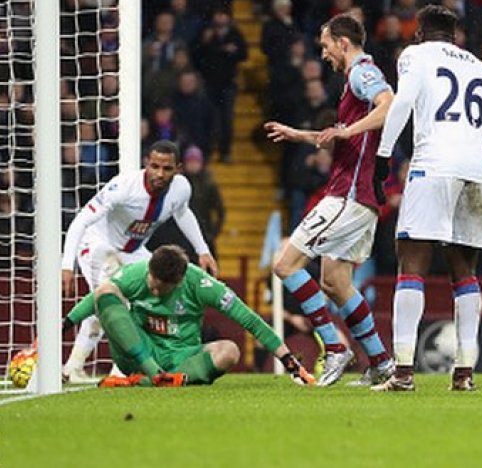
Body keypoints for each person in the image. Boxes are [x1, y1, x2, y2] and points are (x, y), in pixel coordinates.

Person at [368, 5, 482, 391]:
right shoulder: (481, 68)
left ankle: (403, 373)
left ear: (420, 33)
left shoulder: (415, 56)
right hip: (474, 173)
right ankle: (465, 374)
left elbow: (402, 103)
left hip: (432, 167)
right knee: (465, 274)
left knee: (412, 264)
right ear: (455, 37)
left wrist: (383, 156)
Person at [264, 13, 395, 387]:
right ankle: (382, 363)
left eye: (325, 46)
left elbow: (389, 102)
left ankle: (335, 348)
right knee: (336, 282)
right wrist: (297, 134)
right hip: (361, 196)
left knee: (285, 265)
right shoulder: (351, 83)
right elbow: (338, 138)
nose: (323, 54)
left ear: (343, 42)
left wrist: (348, 129)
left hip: (347, 195)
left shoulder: (362, 72)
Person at [60, 140, 218, 383]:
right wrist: (67, 266)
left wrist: (203, 250)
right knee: (112, 299)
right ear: (147, 163)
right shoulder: (122, 188)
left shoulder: (181, 189)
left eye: (166, 169)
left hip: (134, 250)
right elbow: (81, 221)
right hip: (99, 244)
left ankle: (74, 368)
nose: (159, 174)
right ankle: (116, 369)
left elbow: (182, 212)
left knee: (153, 295)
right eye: (154, 166)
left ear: (177, 169)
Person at [63, 245, 314, 387]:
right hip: (140, 352)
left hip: (182, 357)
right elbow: (97, 296)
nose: (152, 288)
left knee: (229, 351)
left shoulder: (201, 285)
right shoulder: (137, 272)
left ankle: (154, 381)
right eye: (151, 280)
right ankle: (152, 375)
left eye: (160, 286)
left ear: (179, 281)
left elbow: (249, 320)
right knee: (107, 291)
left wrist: (291, 364)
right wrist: (63, 326)